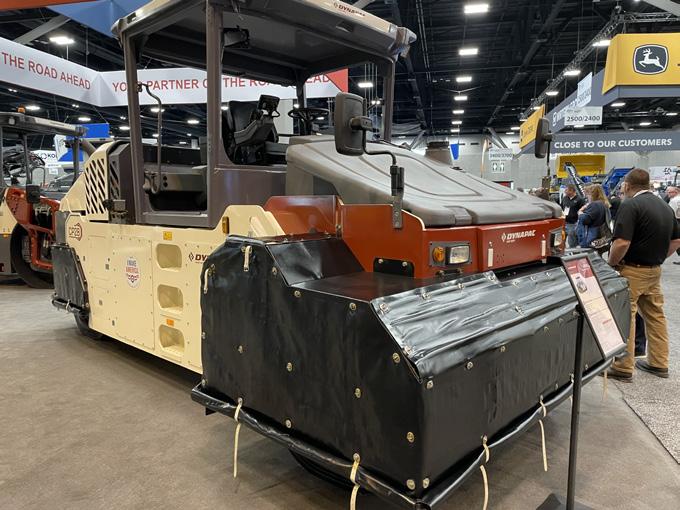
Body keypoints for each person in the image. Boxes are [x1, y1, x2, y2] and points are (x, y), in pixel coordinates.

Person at [607, 169, 680, 381]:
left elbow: (622, 242)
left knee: (626, 316)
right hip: (654, 271)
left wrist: (612, 263)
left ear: (628, 185)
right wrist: (658, 257)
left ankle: (623, 366)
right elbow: (676, 241)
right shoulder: (665, 206)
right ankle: (659, 362)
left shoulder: (630, 205)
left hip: (632, 270)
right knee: (655, 316)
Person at [576, 184, 609, 249]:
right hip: (600, 234)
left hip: (592, 235)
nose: (587, 196)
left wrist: (580, 213)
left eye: (588, 194)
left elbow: (585, 220)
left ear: (592, 194)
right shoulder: (604, 203)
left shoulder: (595, 204)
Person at [667, 186, 680, 265]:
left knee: (676, 240)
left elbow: (670, 213)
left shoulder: (674, 200)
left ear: (675, 192)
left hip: (677, 221)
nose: (668, 194)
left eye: (669, 192)